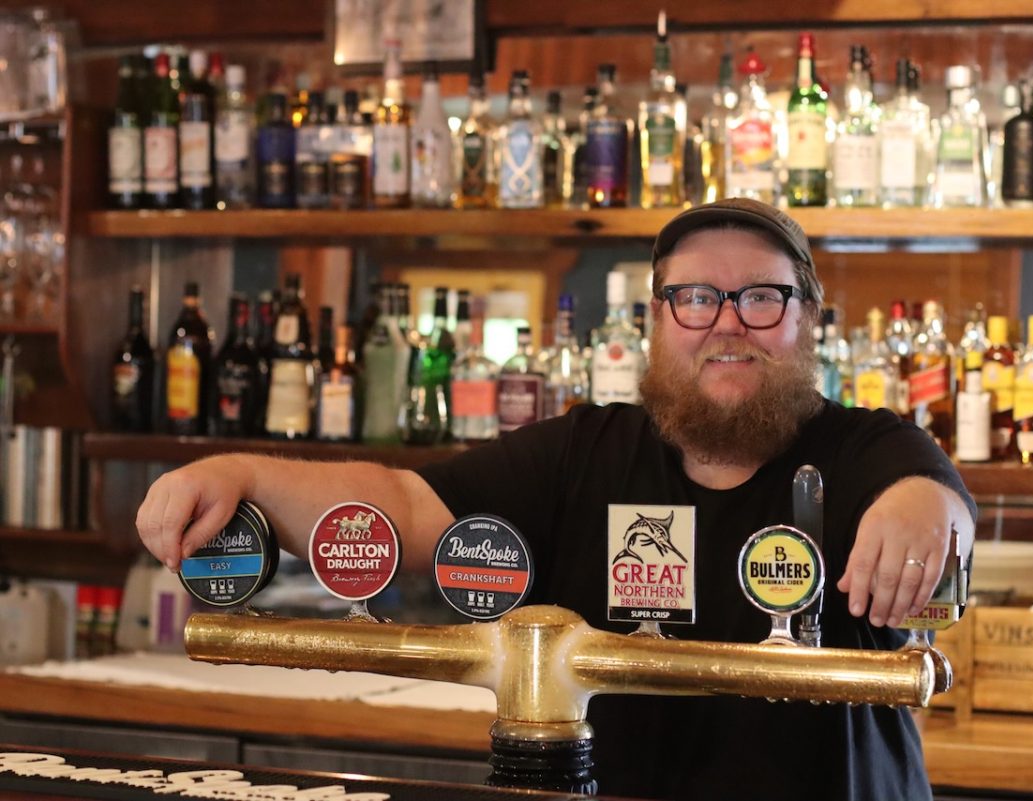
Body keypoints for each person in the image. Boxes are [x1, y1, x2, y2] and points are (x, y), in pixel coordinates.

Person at [137, 197, 976, 801]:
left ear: (808, 320)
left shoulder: (864, 448)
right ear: (656, 320)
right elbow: (402, 502)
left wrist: (929, 511)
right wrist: (240, 476)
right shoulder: (584, 451)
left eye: (761, 296)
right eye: (695, 296)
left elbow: (931, 497)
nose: (727, 321)